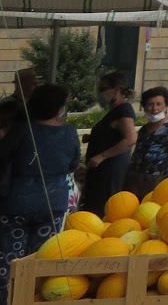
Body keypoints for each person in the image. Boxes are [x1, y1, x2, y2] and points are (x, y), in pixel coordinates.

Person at [0, 84, 81, 303]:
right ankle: (33, 299)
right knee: (41, 259)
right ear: (59, 109)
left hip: (17, 202)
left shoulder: (21, 130)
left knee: (11, 259)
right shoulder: (70, 133)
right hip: (53, 202)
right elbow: (73, 164)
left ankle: (7, 298)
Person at [79, 72, 138, 215]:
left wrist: (102, 156)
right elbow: (111, 133)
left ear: (117, 89)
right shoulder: (114, 111)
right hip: (100, 170)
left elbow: (130, 138)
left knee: (103, 207)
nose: (100, 93)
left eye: (103, 89)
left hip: (109, 170)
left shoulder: (124, 110)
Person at [123, 87, 168, 198]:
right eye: (150, 105)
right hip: (142, 184)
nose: (154, 109)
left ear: (166, 106)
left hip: (165, 185)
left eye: (159, 104)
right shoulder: (144, 130)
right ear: (144, 107)